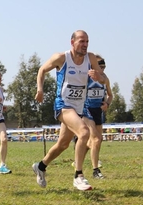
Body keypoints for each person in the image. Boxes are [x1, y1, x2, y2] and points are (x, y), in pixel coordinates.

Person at [32, 30, 106, 191]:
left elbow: (103, 79)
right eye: (81, 41)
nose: (85, 45)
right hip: (63, 105)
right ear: (72, 42)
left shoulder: (91, 58)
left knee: (62, 144)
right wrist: (40, 89)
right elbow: (42, 70)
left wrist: (98, 77)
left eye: (87, 41)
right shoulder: (61, 58)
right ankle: (78, 176)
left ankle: (41, 166)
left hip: (79, 107)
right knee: (84, 132)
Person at [75, 55, 113, 178]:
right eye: (100, 67)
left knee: (96, 141)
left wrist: (107, 103)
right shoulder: (86, 77)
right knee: (96, 139)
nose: (102, 70)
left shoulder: (105, 79)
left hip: (98, 111)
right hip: (86, 110)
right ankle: (96, 170)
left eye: (104, 67)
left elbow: (110, 95)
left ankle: (79, 153)